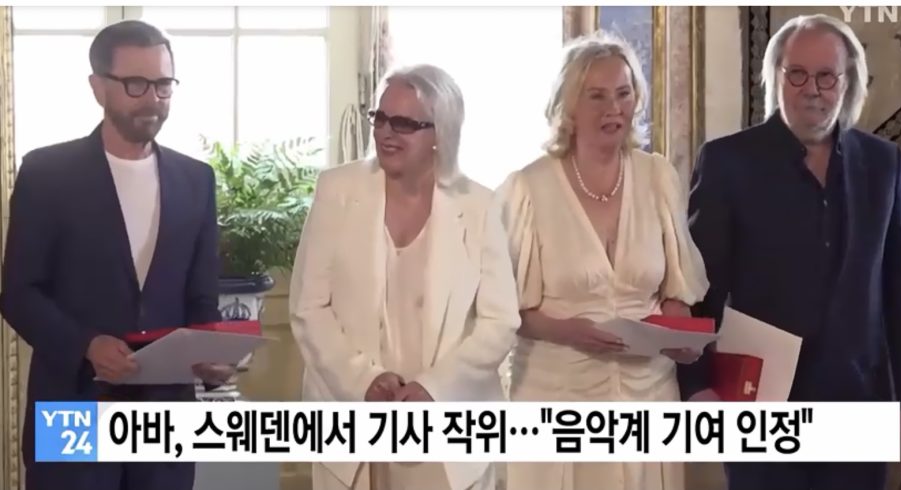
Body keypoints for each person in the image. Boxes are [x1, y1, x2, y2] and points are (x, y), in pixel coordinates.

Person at [680, 13, 901, 490]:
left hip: (860, 406)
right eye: (796, 73)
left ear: (848, 82)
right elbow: (699, 289)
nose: (811, 89)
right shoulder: (728, 162)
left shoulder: (884, 164)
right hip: (759, 407)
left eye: (826, 76)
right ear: (775, 77)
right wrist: (696, 386)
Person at [0, 20, 233, 490]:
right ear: (97, 87)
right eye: (136, 84)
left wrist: (210, 356)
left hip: (164, 420)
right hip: (73, 406)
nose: (153, 99)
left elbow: (201, 298)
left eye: (163, 84)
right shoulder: (46, 174)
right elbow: (19, 293)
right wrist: (86, 345)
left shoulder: (196, 180)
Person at [288, 63, 520, 490]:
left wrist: (435, 389)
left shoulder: (481, 207)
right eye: (380, 118)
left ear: (440, 133)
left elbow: (500, 321)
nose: (385, 133)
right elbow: (309, 307)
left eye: (404, 124)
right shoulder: (337, 191)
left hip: (448, 431)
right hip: (354, 423)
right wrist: (363, 381)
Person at [495, 31, 709, 490]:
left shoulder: (657, 177)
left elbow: (676, 291)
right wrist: (567, 330)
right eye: (597, 96)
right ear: (569, 105)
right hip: (558, 399)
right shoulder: (528, 188)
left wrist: (680, 337)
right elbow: (505, 311)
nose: (614, 108)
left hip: (649, 400)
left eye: (623, 93)